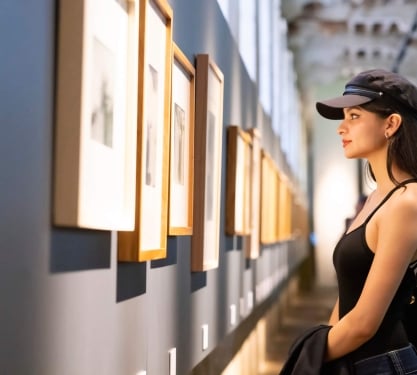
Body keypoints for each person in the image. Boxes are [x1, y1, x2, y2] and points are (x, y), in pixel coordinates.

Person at [281, 69, 417, 375]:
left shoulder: (407, 201)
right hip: (355, 360)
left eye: (354, 116)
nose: (342, 128)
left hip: (383, 364)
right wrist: (326, 344)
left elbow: (365, 322)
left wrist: (309, 356)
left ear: (391, 124)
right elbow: (348, 298)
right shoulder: (378, 197)